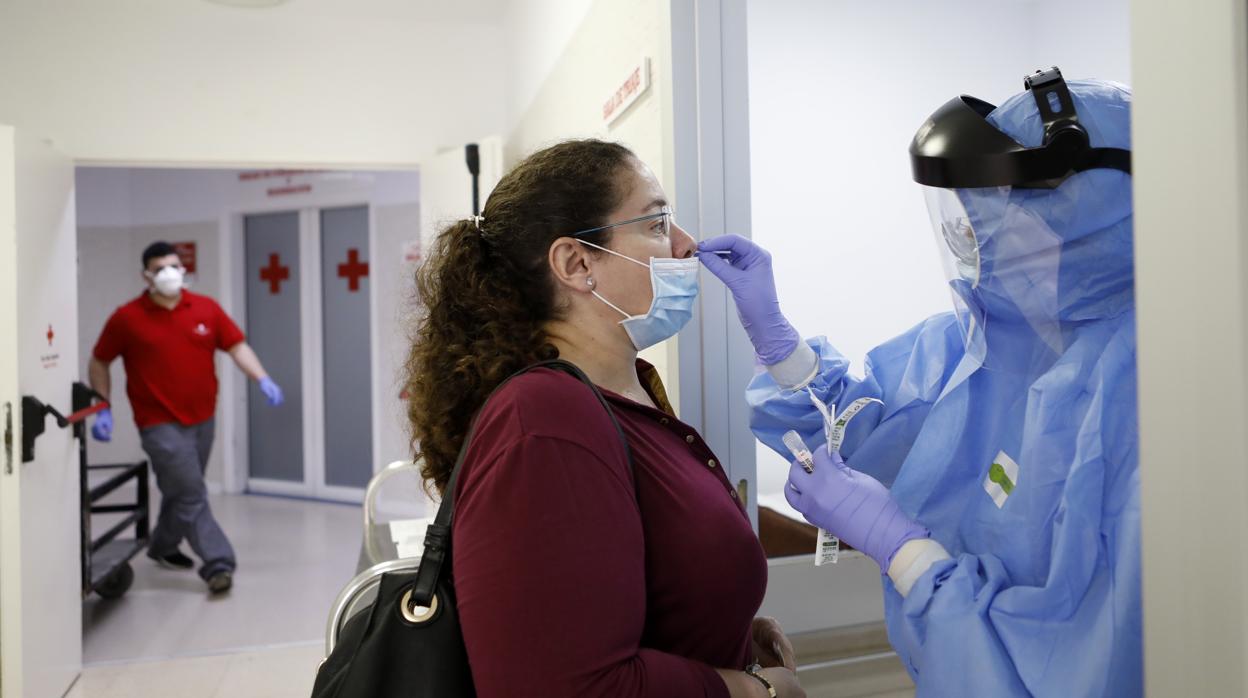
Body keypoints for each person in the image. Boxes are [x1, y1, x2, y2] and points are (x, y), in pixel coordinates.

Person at [698, 70, 1141, 695]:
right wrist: (780, 346)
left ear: (1081, 217)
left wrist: (903, 551)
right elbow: (862, 425)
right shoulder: (984, 339)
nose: (972, 232)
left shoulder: (1142, 400)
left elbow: (1072, 662)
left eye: (997, 208)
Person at [405, 139, 805, 698]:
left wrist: (728, 632)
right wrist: (753, 692)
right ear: (576, 263)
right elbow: (564, 686)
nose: (688, 244)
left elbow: (627, 587)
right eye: (658, 221)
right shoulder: (544, 421)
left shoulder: (626, 393)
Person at [88, 241, 285, 594]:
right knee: (192, 492)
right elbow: (100, 359)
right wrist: (103, 405)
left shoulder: (206, 309)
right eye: (160, 267)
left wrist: (262, 377)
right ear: (146, 275)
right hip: (158, 423)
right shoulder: (128, 317)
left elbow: (236, 345)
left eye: (174, 266)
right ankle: (218, 564)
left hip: (202, 419)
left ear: (184, 269)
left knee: (179, 490)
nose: (169, 273)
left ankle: (163, 545)